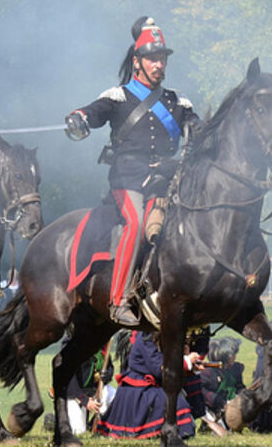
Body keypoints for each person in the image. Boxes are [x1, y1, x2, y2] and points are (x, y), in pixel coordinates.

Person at [64, 18, 198, 327]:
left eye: (162, 58)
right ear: (137, 62)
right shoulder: (119, 97)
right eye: (153, 58)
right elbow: (92, 113)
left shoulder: (177, 101)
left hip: (166, 180)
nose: (159, 64)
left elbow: (196, 127)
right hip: (129, 179)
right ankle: (119, 299)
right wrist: (80, 117)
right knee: (136, 224)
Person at [96, 331, 196, 439]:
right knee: (177, 403)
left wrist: (188, 363)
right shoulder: (146, 337)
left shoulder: (159, 338)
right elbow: (158, 368)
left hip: (148, 385)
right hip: (138, 389)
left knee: (177, 401)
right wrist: (185, 362)